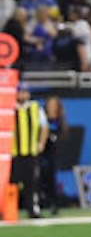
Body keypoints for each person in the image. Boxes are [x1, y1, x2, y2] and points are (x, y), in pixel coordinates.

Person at [12, 83, 49, 218]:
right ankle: (9, 209)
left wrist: (41, 143)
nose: (23, 95)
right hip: (14, 152)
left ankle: (33, 209)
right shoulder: (9, 108)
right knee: (11, 183)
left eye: (25, 92)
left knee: (32, 183)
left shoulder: (35, 108)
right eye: (20, 92)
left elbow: (44, 126)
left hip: (31, 152)